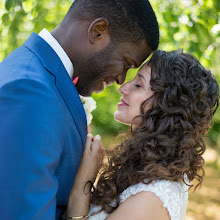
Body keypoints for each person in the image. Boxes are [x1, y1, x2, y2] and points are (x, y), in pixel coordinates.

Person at [0, 0, 159, 219]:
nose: (122, 78)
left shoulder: (42, 77)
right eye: (126, 63)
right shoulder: (30, 92)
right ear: (97, 31)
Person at [64, 50, 219, 220]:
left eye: (139, 85)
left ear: (166, 107)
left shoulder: (150, 199)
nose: (122, 88)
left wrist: (82, 184)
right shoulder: (145, 166)